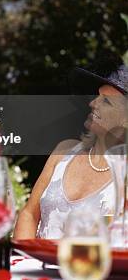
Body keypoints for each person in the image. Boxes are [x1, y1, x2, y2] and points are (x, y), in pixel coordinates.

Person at [14, 63, 127, 239]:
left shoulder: (124, 174)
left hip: (93, 265)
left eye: (106, 101)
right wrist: (24, 261)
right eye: (97, 96)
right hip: (36, 264)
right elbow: (29, 215)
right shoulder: (64, 150)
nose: (92, 103)